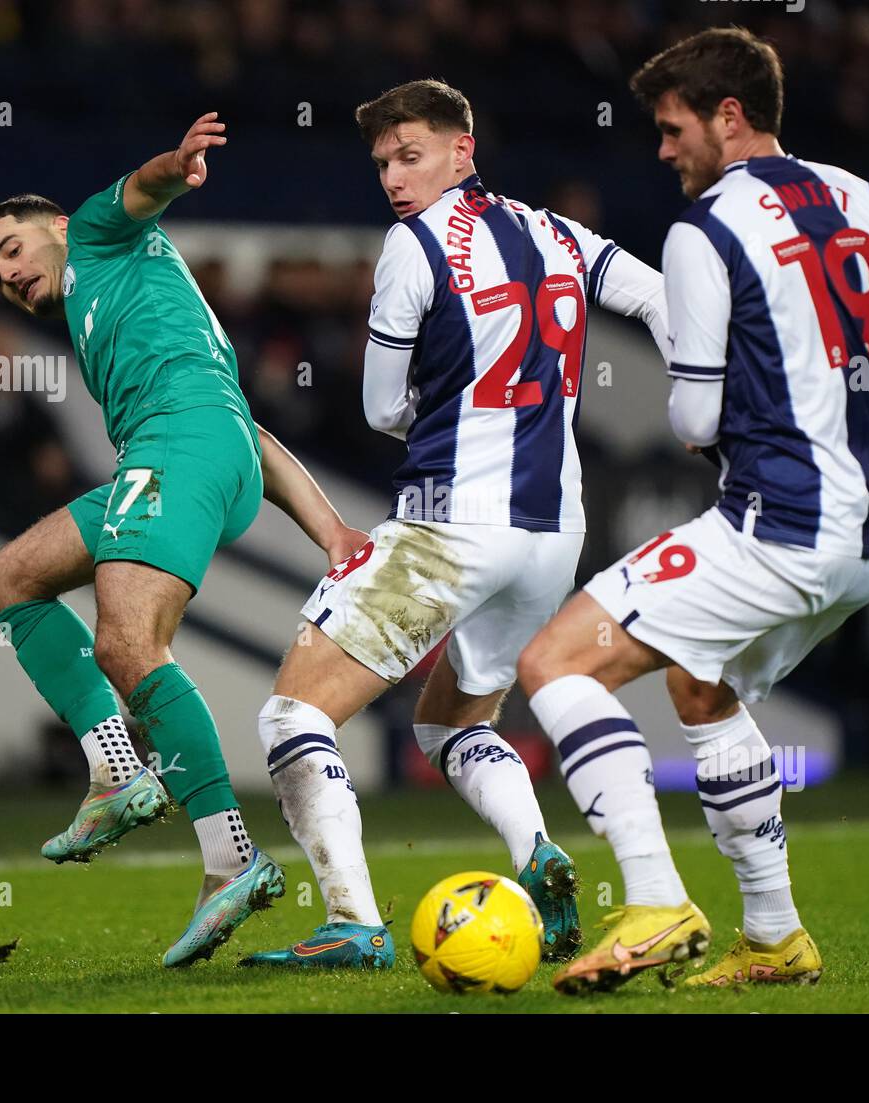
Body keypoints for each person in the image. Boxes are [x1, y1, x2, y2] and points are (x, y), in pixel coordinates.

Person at [518, 27, 869, 995]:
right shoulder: (868, 201)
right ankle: (774, 934)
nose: (662, 151)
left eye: (672, 130)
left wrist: (695, 423)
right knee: (699, 687)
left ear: (729, 116)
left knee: (553, 662)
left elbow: (696, 411)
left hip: (778, 525)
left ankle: (658, 896)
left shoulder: (705, 229)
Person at [240, 79, 675, 970]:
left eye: (411, 155)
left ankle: (354, 922)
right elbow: (663, 298)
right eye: (384, 164)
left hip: (449, 522)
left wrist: (445, 407)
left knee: (292, 715)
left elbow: (375, 407)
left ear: (461, 150)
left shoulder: (413, 243)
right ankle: (538, 854)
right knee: (450, 724)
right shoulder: (557, 232)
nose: (395, 179)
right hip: (554, 528)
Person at [0, 112, 367, 968]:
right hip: (195, 448)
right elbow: (244, 428)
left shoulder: (97, 237)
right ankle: (119, 771)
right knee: (14, 576)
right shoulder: (117, 307)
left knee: (126, 641)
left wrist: (175, 163)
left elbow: (139, 189)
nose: (4, 273)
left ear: (57, 228)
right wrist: (329, 526)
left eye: (10, 248)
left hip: (177, 444)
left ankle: (226, 851)